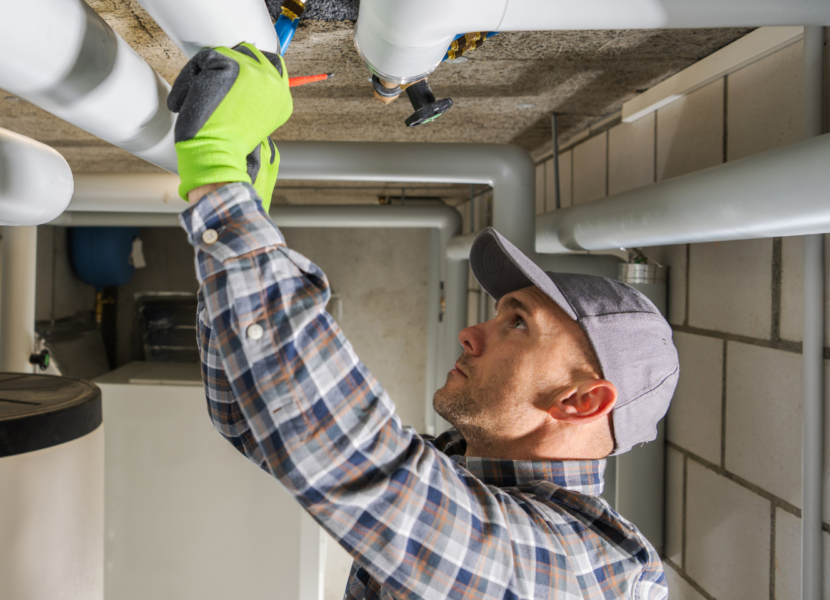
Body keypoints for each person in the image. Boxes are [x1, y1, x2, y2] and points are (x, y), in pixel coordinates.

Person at [168, 43, 679, 599]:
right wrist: (241, 209)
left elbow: (361, 466)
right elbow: (256, 419)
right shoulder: (465, 472)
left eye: (518, 325)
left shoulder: (585, 570)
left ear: (581, 402)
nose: (471, 332)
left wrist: (220, 182)